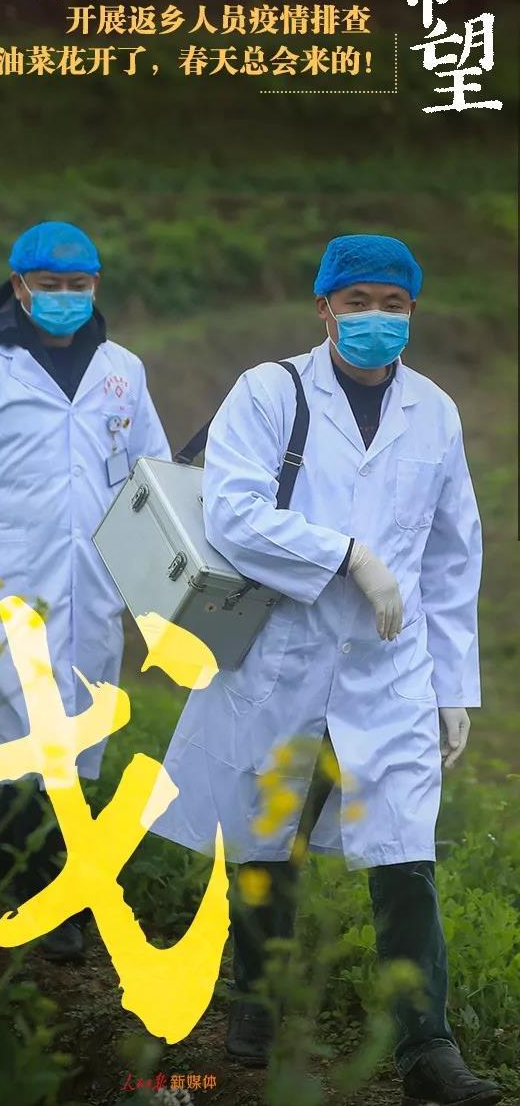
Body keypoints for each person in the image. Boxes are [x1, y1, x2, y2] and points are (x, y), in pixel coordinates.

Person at [148, 235, 501, 1105]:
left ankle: (427, 1049)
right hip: (285, 649)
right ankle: (257, 1003)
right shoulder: (270, 392)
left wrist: (453, 687)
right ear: (324, 308)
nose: (376, 318)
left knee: (405, 849)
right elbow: (232, 514)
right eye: (358, 302)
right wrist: (350, 556)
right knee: (267, 832)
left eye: (393, 304)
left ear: (413, 311)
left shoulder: (435, 412)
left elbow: (454, 555)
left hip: (392, 665)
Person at [0, 220, 170, 960]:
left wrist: (161, 592)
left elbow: (150, 481)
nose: (64, 297)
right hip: (1, 591)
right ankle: (35, 900)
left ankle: (58, 889)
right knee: (19, 745)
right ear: (18, 288)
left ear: (96, 286)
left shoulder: (122, 371)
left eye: (78, 285)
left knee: (76, 742)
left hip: (91, 588)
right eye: (49, 285)